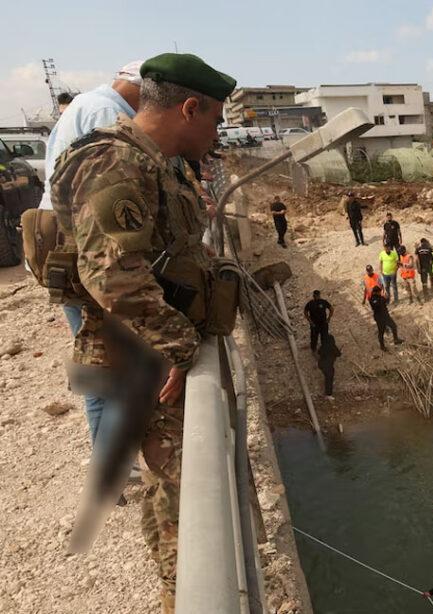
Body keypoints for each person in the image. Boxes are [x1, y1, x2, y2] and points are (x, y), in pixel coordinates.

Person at [49, 52, 237, 614]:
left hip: (148, 354)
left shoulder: (159, 163)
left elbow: (164, 250)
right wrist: (180, 345)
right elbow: (112, 275)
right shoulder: (115, 162)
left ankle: (178, 592)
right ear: (188, 107)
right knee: (186, 495)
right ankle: (188, 596)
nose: (217, 132)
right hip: (139, 358)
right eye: (215, 119)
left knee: (174, 490)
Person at [38, 60, 143, 463]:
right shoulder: (106, 114)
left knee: (97, 364)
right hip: (86, 254)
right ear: (135, 88)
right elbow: (107, 205)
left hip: (69, 254)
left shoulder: (85, 105)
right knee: (111, 366)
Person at [368, 286, 404, 351]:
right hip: (379, 318)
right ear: (376, 292)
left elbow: (385, 302)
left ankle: (396, 340)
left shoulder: (380, 297)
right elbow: (377, 305)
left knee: (394, 326)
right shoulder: (372, 299)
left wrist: (386, 298)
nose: (380, 293)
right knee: (381, 332)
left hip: (386, 316)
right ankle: (382, 346)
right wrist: (383, 298)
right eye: (379, 292)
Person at [317, 334, 341, 398]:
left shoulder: (323, 346)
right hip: (329, 366)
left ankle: (327, 393)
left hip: (322, 365)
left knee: (327, 379)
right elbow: (338, 354)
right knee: (329, 380)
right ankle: (329, 394)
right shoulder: (333, 346)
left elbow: (319, 352)